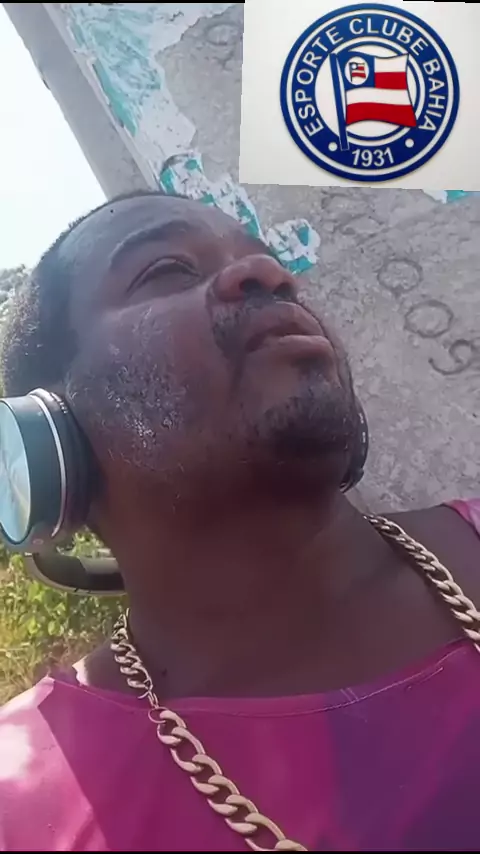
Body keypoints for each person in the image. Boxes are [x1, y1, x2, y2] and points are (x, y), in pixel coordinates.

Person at [0, 190, 480, 853]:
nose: (269, 274)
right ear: (46, 434)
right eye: (166, 270)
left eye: (265, 256)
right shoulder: (23, 807)